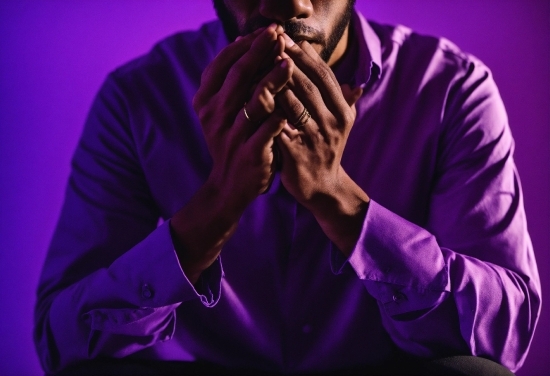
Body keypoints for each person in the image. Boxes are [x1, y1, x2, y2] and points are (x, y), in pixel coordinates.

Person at [34, 1, 540, 375]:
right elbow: (62, 341)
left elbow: (505, 335)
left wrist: (338, 199)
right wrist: (218, 204)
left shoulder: (451, 89)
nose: (293, 5)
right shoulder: (139, 98)